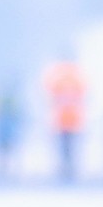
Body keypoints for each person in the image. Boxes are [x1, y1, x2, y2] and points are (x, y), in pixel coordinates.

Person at [43, 54, 88, 184]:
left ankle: (66, 169)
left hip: (64, 121)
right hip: (71, 121)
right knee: (69, 148)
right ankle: (68, 170)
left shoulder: (58, 78)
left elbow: (50, 98)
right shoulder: (77, 78)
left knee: (65, 148)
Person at [0, 80, 23, 179]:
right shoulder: (10, 100)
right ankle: (7, 166)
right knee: (7, 147)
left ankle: (5, 166)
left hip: (6, 126)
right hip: (7, 126)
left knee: (5, 148)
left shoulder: (3, 100)